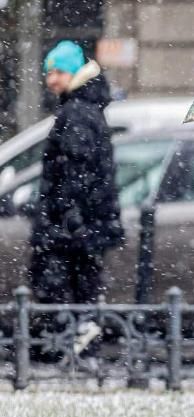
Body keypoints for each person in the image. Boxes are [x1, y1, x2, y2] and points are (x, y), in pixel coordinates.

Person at [29, 40, 123, 355]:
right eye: (48, 73)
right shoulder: (85, 108)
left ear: (72, 72)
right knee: (83, 292)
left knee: (65, 295)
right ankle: (79, 347)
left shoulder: (77, 113)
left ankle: (74, 352)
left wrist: (68, 218)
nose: (50, 79)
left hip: (70, 230)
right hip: (82, 227)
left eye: (56, 71)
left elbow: (74, 171)